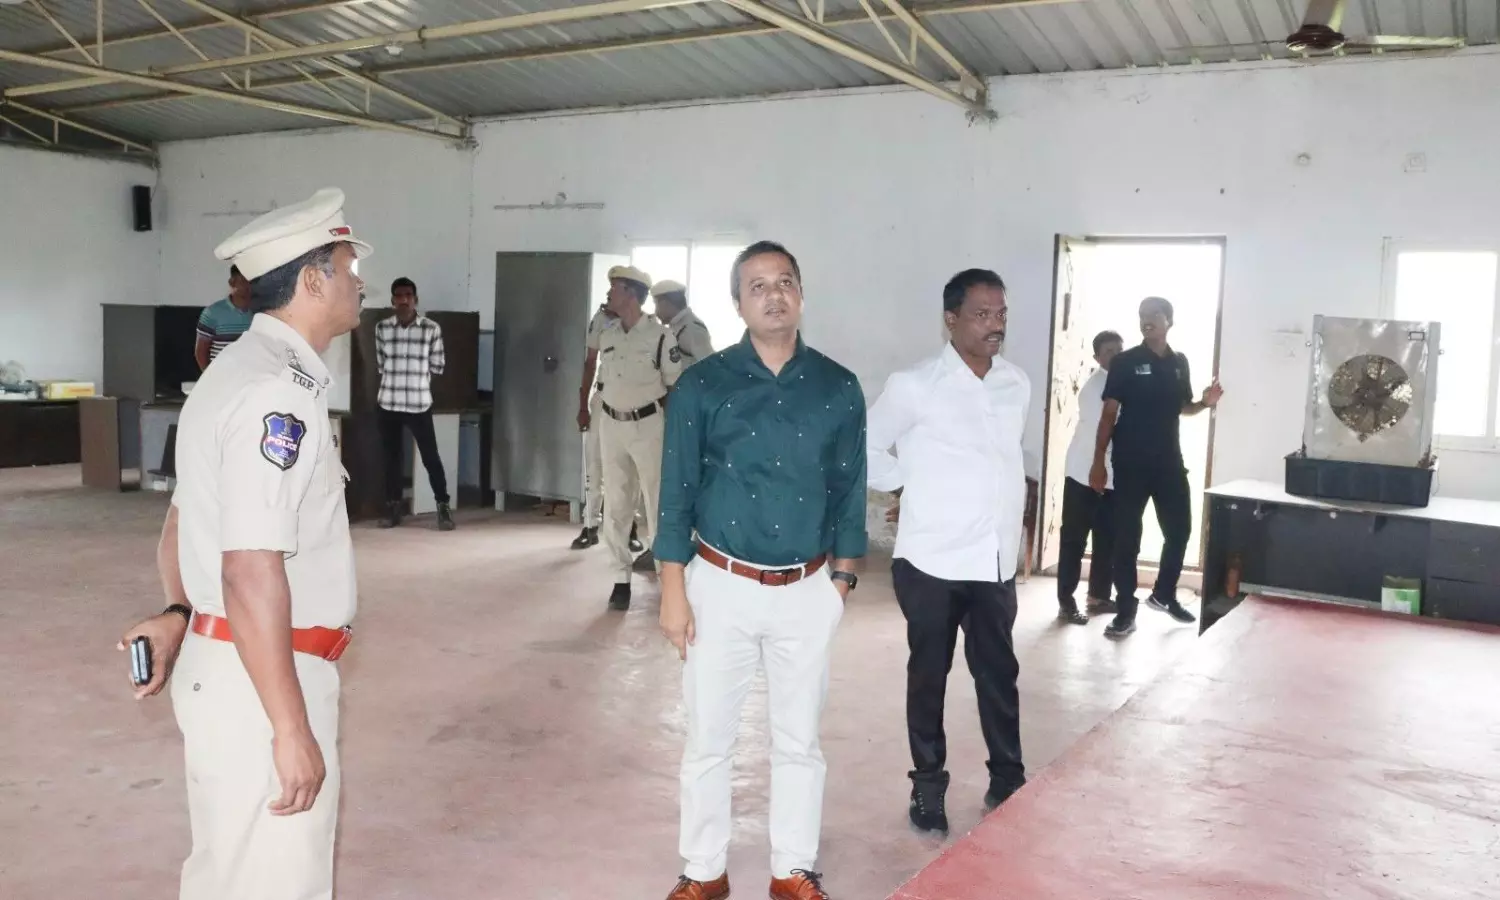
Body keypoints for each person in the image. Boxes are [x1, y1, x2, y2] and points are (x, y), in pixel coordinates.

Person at [116, 187, 368, 900]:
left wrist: (180, 612)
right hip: (264, 679)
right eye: (348, 268)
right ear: (313, 280)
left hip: (228, 662)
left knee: (229, 877)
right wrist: (288, 727)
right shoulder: (276, 394)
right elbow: (251, 570)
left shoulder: (232, 374)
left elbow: (179, 526)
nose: (360, 283)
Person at [657, 240, 867, 900]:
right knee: (708, 738)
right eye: (757, 285)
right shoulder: (703, 385)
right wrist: (673, 591)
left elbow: (849, 489)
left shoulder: (838, 387)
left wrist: (840, 583)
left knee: (799, 740)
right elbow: (675, 492)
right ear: (737, 303)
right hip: (719, 585)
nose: (774, 295)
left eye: (785, 282)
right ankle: (703, 871)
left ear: (801, 294)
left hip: (806, 588)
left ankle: (791, 869)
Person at [866, 268, 1031, 836]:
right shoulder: (915, 385)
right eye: (982, 315)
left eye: (1001, 314)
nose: (995, 325)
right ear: (951, 319)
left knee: (999, 675)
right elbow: (864, 446)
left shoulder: (1015, 383)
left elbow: (1002, 463)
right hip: (931, 562)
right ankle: (928, 786)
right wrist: (906, 484)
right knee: (929, 677)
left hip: (993, 561)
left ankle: (1008, 778)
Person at [1091, 296, 1223, 639]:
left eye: (1154, 314)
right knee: (1127, 540)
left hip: (1168, 463)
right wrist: (1098, 461)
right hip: (1130, 463)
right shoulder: (1125, 362)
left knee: (1180, 531)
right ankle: (1125, 610)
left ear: (1169, 321)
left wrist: (1204, 403)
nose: (1146, 320)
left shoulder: (1179, 362)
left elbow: (1183, 407)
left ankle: (1163, 594)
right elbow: (1108, 414)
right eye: (1142, 315)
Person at [596, 265, 683, 610]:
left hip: (648, 426)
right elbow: (603, 381)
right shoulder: (608, 335)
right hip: (611, 424)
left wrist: (673, 432)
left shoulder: (661, 337)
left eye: (615, 288)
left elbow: (675, 387)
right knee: (616, 504)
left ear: (631, 294)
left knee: (656, 503)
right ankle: (621, 579)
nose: (609, 294)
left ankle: (666, 579)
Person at [1055, 329, 1125, 625]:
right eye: (1109, 352)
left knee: (1106, 538)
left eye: (1119, 350)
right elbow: (1102, 430)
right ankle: (1066, 601)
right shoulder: (1097, 386)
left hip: (1109, 475)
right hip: (1086, 472)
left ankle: (1098, 596)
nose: (1116, 356)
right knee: (1074, 540)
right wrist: (1098, 467)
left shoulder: (1119, 382)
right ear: (1097, 357)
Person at [375, 277, 454, 531]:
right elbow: (381, 364)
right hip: (389, 402)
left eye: (408, 295)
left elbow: (438, 365)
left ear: (415, 300)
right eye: (398, 296)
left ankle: (443, 507)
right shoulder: (382, 328)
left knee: (431, 457)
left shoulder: (431, 329)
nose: (403, 300)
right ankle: (393, 508)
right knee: (392, 459)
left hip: (419, 403)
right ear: (392, 300)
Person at [573, 300, 645, 554]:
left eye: (616, 290)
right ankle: (590, 525)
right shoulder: (600, 321)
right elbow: (590, 363)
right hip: (603, 399)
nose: (609, 296)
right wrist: (583, 406)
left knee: (630, 468)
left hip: (632, 402)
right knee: (594, 462)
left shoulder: (646, 324)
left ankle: (630, 528)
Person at [194, 265, 254, 370]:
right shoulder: (212, 313)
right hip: (221, 376)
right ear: (232, 282)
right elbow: (201, 353)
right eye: (244, 280)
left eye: (252, 281)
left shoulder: (261, 312)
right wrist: (210, 376)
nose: (249, 285)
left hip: (251, 377)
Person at [651, 279, 716, 365]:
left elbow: (711, 365)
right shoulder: (676, 327)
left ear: (665, 303)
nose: (656, 313)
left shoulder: (691, 329)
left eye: (656, 305)